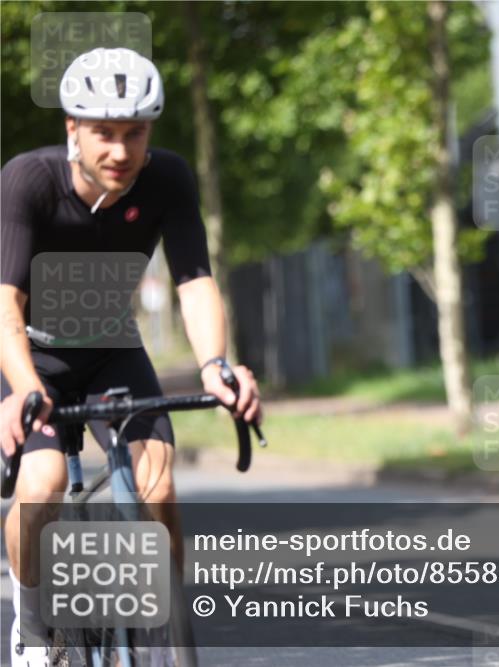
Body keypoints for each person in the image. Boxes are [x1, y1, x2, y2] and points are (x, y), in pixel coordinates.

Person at [0, 47, 262, 665]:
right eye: (104, 133)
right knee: (43, 482)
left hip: (112, 350)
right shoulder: (28, 181)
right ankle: (33, 627)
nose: (120, 151)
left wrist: (215, 366)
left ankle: (168, 638)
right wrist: (23, 386)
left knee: (158, 486)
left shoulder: (167, 178)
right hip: (29, 354)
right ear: (72, 129)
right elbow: (5, 300)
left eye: (135, 133)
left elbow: (194, 281)